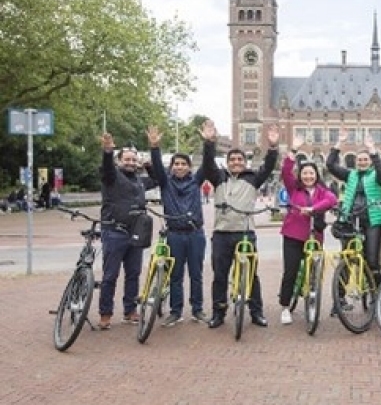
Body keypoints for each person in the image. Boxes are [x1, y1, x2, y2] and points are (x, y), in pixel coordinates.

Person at [202, 121, 279, 328]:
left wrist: (272, 147)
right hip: (222, 233)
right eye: (232, 160)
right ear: (227, 163)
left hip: (246, 233)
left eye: (239, 159)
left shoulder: (253, 179)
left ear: (245, 162)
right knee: (220, 275)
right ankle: (218, 313)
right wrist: (209, 142)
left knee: (251, 275)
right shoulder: (218, 178)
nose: (236, 162)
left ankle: (256, 313)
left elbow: (269, 167)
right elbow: (208, 164)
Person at [147, 125, 209, 326]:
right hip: (174, 234)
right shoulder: (166, 182)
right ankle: (176, 310)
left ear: (190, 167)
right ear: (171, 166)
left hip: (195, 234)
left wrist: (208, 143)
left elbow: (208, 164)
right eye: (176, 164)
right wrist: (155, 147)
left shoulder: (196, 181)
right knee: (175, 275)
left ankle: (197, 309)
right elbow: (156, 167)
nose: (180, 167)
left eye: (184, 164)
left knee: (196, 274)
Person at [97, 133, 158, 330]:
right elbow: (106, 169)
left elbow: (158, 180)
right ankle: (105, 314)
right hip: (114, 231)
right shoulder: (112, 177)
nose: (131, 162)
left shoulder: (140, 180)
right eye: (127, 159)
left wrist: (149, 166)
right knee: (110, 275)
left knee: (133, 274)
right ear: (119, 161)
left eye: (133, 159)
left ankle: (130, 311)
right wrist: (107, 151)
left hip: (135, 233)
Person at [278, 135, 338, 325]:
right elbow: (286, 170)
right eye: (305, 173)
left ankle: (311, 297)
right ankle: (285, 307)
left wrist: (313, 209)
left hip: (314, 236)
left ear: (316, 175)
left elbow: (332, 200)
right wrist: (293, 151)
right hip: (293, 235)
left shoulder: (322, 191)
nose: (308, 176)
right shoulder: (293, 188)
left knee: (314, 272)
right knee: (291, 271)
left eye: (311, 173)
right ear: (300, 175)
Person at [325, 129, 381, 279]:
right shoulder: (350, 175)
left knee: (372, 260)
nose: (362, 162)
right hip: (351, 219)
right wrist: (339, 143)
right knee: (346, 258)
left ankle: (375, 296)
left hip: (372, 220)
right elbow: (330, 165)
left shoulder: (376, 176)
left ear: (370, 161)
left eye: (365, 159)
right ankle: (339, 299)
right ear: (355, 162)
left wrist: (372, 150)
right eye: (360, 160)